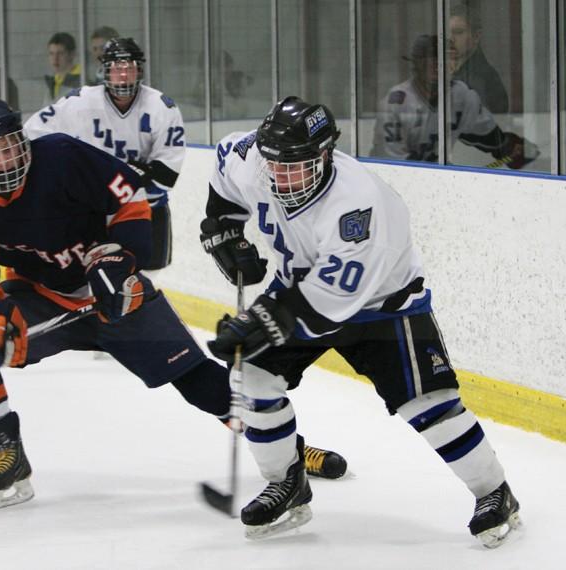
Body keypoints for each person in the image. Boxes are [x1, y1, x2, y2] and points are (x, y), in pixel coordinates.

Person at [0, 97, 346, 510]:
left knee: (196, 379)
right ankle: (7, 450)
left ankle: (290, 448)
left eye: (7, 146)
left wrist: (121, 260)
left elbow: (130, 196)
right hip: (44, 300)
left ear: (22, 142)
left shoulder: (62, 157)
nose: (2, 160)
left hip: (118, 293)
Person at [200, 95, 521, 546]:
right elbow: (222, 172)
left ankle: (495, 493)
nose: (282, 176)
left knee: (430, 405)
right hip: (298, 289)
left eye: (296, 165)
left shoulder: (359, 206)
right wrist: (222, 226)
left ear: (325, 153)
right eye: (275, 164)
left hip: (383, 304)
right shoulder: (253, 157)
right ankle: (286, 483)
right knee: (253, 376)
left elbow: (334, 301)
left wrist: (263, 322)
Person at [26, 38, 181, 270]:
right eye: (117, 68)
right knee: (91, 280)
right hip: (93, 216)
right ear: (105, 70)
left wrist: (109, 181)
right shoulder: (79, 102)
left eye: (129, 68)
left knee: (145, 283)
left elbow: (167, 175)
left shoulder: (162, 107)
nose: (123, 75)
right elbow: (32, 133)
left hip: (146, 214)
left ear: (139, 70)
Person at [371, 34, 538, 168]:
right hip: (388, 184)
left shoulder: (461, 95)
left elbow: (487, 135)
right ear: (417, 64)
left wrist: (509, 148)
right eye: (431, 59)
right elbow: (392, 165)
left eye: (446, 59)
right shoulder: (396, 102)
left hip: (438, 178)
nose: (439, 65)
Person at [448, 2, 508, 115]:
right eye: (447, 33)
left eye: (458, 32)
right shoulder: (446, 71)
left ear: (476, 36)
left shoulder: (483, 79)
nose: (450, 39)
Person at [44, 32, 81, 103]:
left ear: (72, 54)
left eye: (60, 53)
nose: (55, 58)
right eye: (51, 53)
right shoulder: (52, 83)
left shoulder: (82, 81)